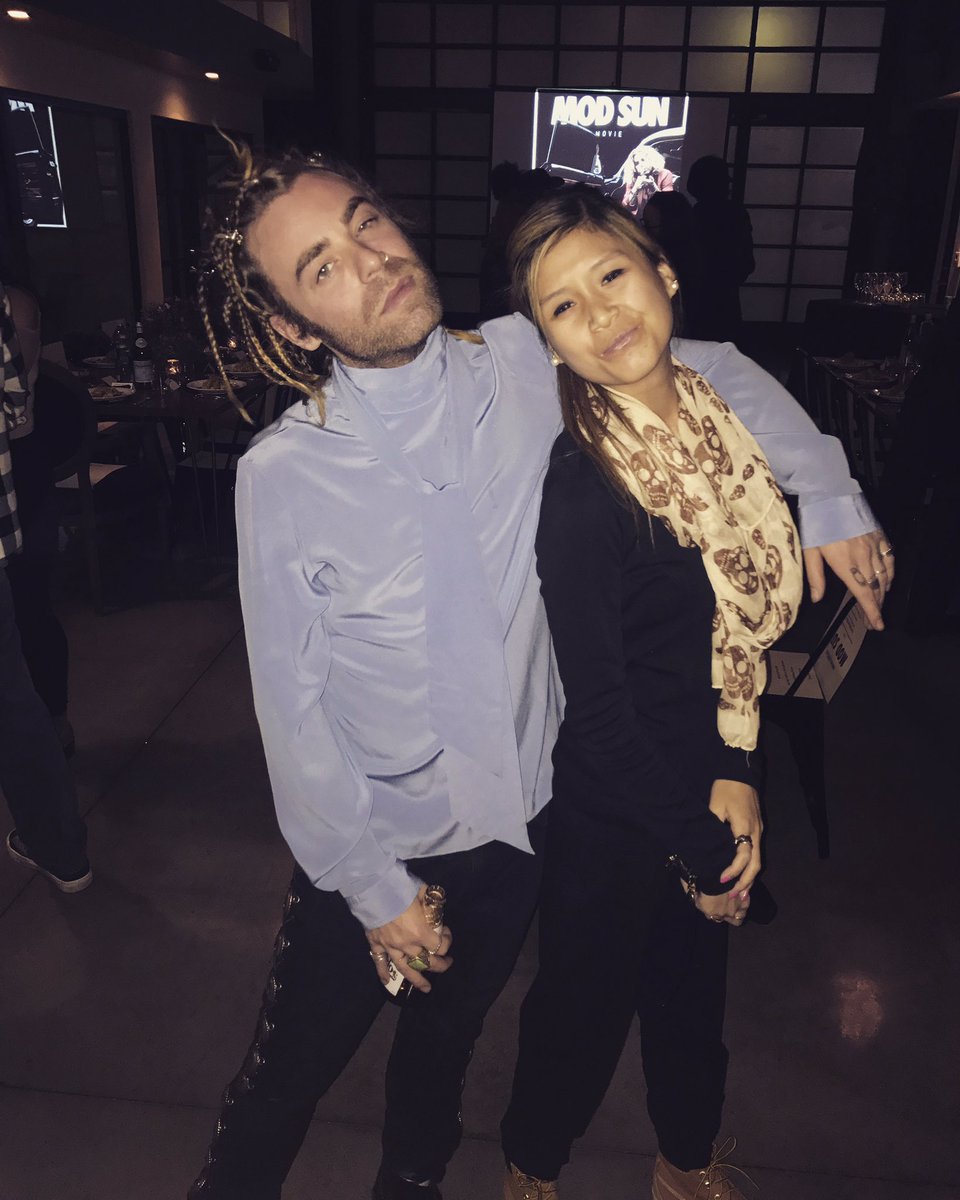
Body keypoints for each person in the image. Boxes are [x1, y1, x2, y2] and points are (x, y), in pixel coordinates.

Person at [187, 143, 891, 1200]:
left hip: (518, 832)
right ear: (294, 325)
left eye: (366, 221)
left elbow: (701, 366)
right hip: (373, 841)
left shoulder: (522, 360)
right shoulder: (283, 474)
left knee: (443, 1057)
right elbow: (291, 712)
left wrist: (827, 488)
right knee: (285, 1079)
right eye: (322, 266)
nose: (371, 261)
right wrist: (375, 890)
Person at [497, 188, 891, 1200]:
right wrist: (706, 846)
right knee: (580, 1009)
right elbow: (601, 712)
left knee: (689, 1000)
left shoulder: (722, 428)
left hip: (715, 768)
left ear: (663, 274)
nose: (600, 315)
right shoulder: (585, 489)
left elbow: (729, 649)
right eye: (563, 307)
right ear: (547, 341)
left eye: (612, 276)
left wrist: (736, 771)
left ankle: (684, 1161)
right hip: (617, 801)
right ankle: (532, 1166)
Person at [0, 281, 90, 892]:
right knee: (14, 687)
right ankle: (59, 844)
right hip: (16, 484)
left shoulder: (15, 305)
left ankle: (56, 726)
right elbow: (18, 411)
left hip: (22, 483)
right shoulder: (8, 307)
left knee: (30, 615)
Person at [4, 282, 74, 755]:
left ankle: (55, 724)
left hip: (19, 462)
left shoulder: (15, 304)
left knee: (29, 602)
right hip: (19, 461)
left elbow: (15, 397)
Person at [685, 156, 755, 344]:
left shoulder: (695, 214)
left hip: (699, 293)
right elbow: (747, 260)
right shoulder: (736, 213)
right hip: (727, 292)